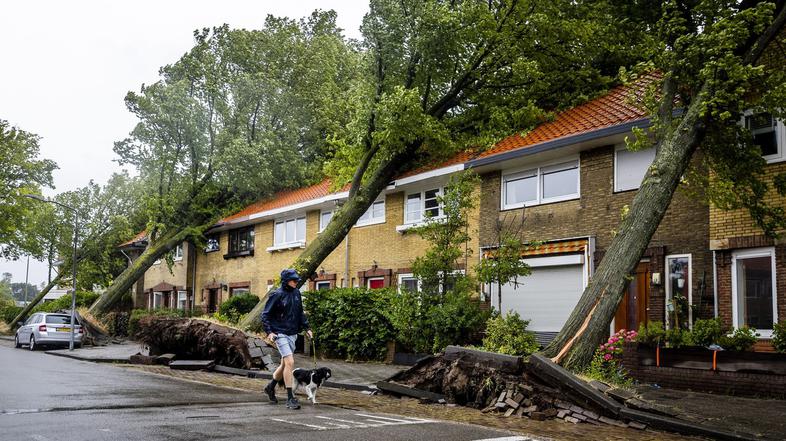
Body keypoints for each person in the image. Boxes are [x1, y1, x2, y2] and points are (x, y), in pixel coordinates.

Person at [261, 268, 313, 410]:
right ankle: (290, 398)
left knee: (285, 364)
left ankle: (270, 387)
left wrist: (307, 328)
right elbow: (265, 315)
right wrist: (270, 332)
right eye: (293, 280)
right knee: (290, 362)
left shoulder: (296, 293)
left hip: (292, 333)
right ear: (285, 281)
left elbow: (300, 313)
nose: (296, 282)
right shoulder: (277, 294)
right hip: (280, 333)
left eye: (297, 280)